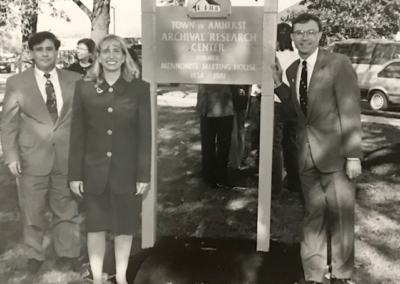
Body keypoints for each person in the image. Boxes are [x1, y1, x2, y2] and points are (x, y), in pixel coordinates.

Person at [271, 13, 362, 284]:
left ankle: (343, 274)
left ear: (320, 35)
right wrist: (279, 86)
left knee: (341, 218)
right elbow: (298, 116)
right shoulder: (291, 71)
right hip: (307, 158)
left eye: (311, 32)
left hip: (338, 156)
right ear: (292, 36)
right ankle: (313, 275)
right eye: (299, 32)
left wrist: (353, 155)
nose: (304, 37)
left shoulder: (338, 64)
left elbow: (350, 110)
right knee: (313, 217)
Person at [68, 34, 151, 284]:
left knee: (124, 228)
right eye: (106, 51)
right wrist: (75, 175)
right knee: (95, 227)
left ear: (125, 56)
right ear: (98, 57)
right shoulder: (84, 88)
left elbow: (144, 135)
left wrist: (143, 175)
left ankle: (122, 277)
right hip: (93, 172)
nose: (112, 55)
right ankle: (96, 278)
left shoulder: (139, 88)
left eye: (117, 51)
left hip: (126, 171)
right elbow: (77, 135)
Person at [0, 31, 82, 273]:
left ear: (57, 51)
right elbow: (8, 123)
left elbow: (83, 120)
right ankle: (35, 256)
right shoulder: (18, 82)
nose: (45, 54)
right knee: (32, 211)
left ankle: (68, 253)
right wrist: (12, 156)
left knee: (66, 209)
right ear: (31, 53)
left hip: (66, 156)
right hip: (31, 157)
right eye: (39, 49)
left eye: (49, 49)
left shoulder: (75, 79)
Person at [272, 23, 301, 198]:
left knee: (274, 146)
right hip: (294, 104)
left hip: (276, 103)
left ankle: (275, 187)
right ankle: (295, 182)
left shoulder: (274, 57)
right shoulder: (298, 56)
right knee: (292, 144)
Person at [197, 84, 239, 188]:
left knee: (221, 145)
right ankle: (211, 176)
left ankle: (218, 176)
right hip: (210, 106)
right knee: (209, 144)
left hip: (222, 105)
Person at [229, 85, 250, 170]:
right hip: (241, 101)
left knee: (235, 131)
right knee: (239, 131)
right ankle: (237, 161)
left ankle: (235, 161)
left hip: (234, 102)